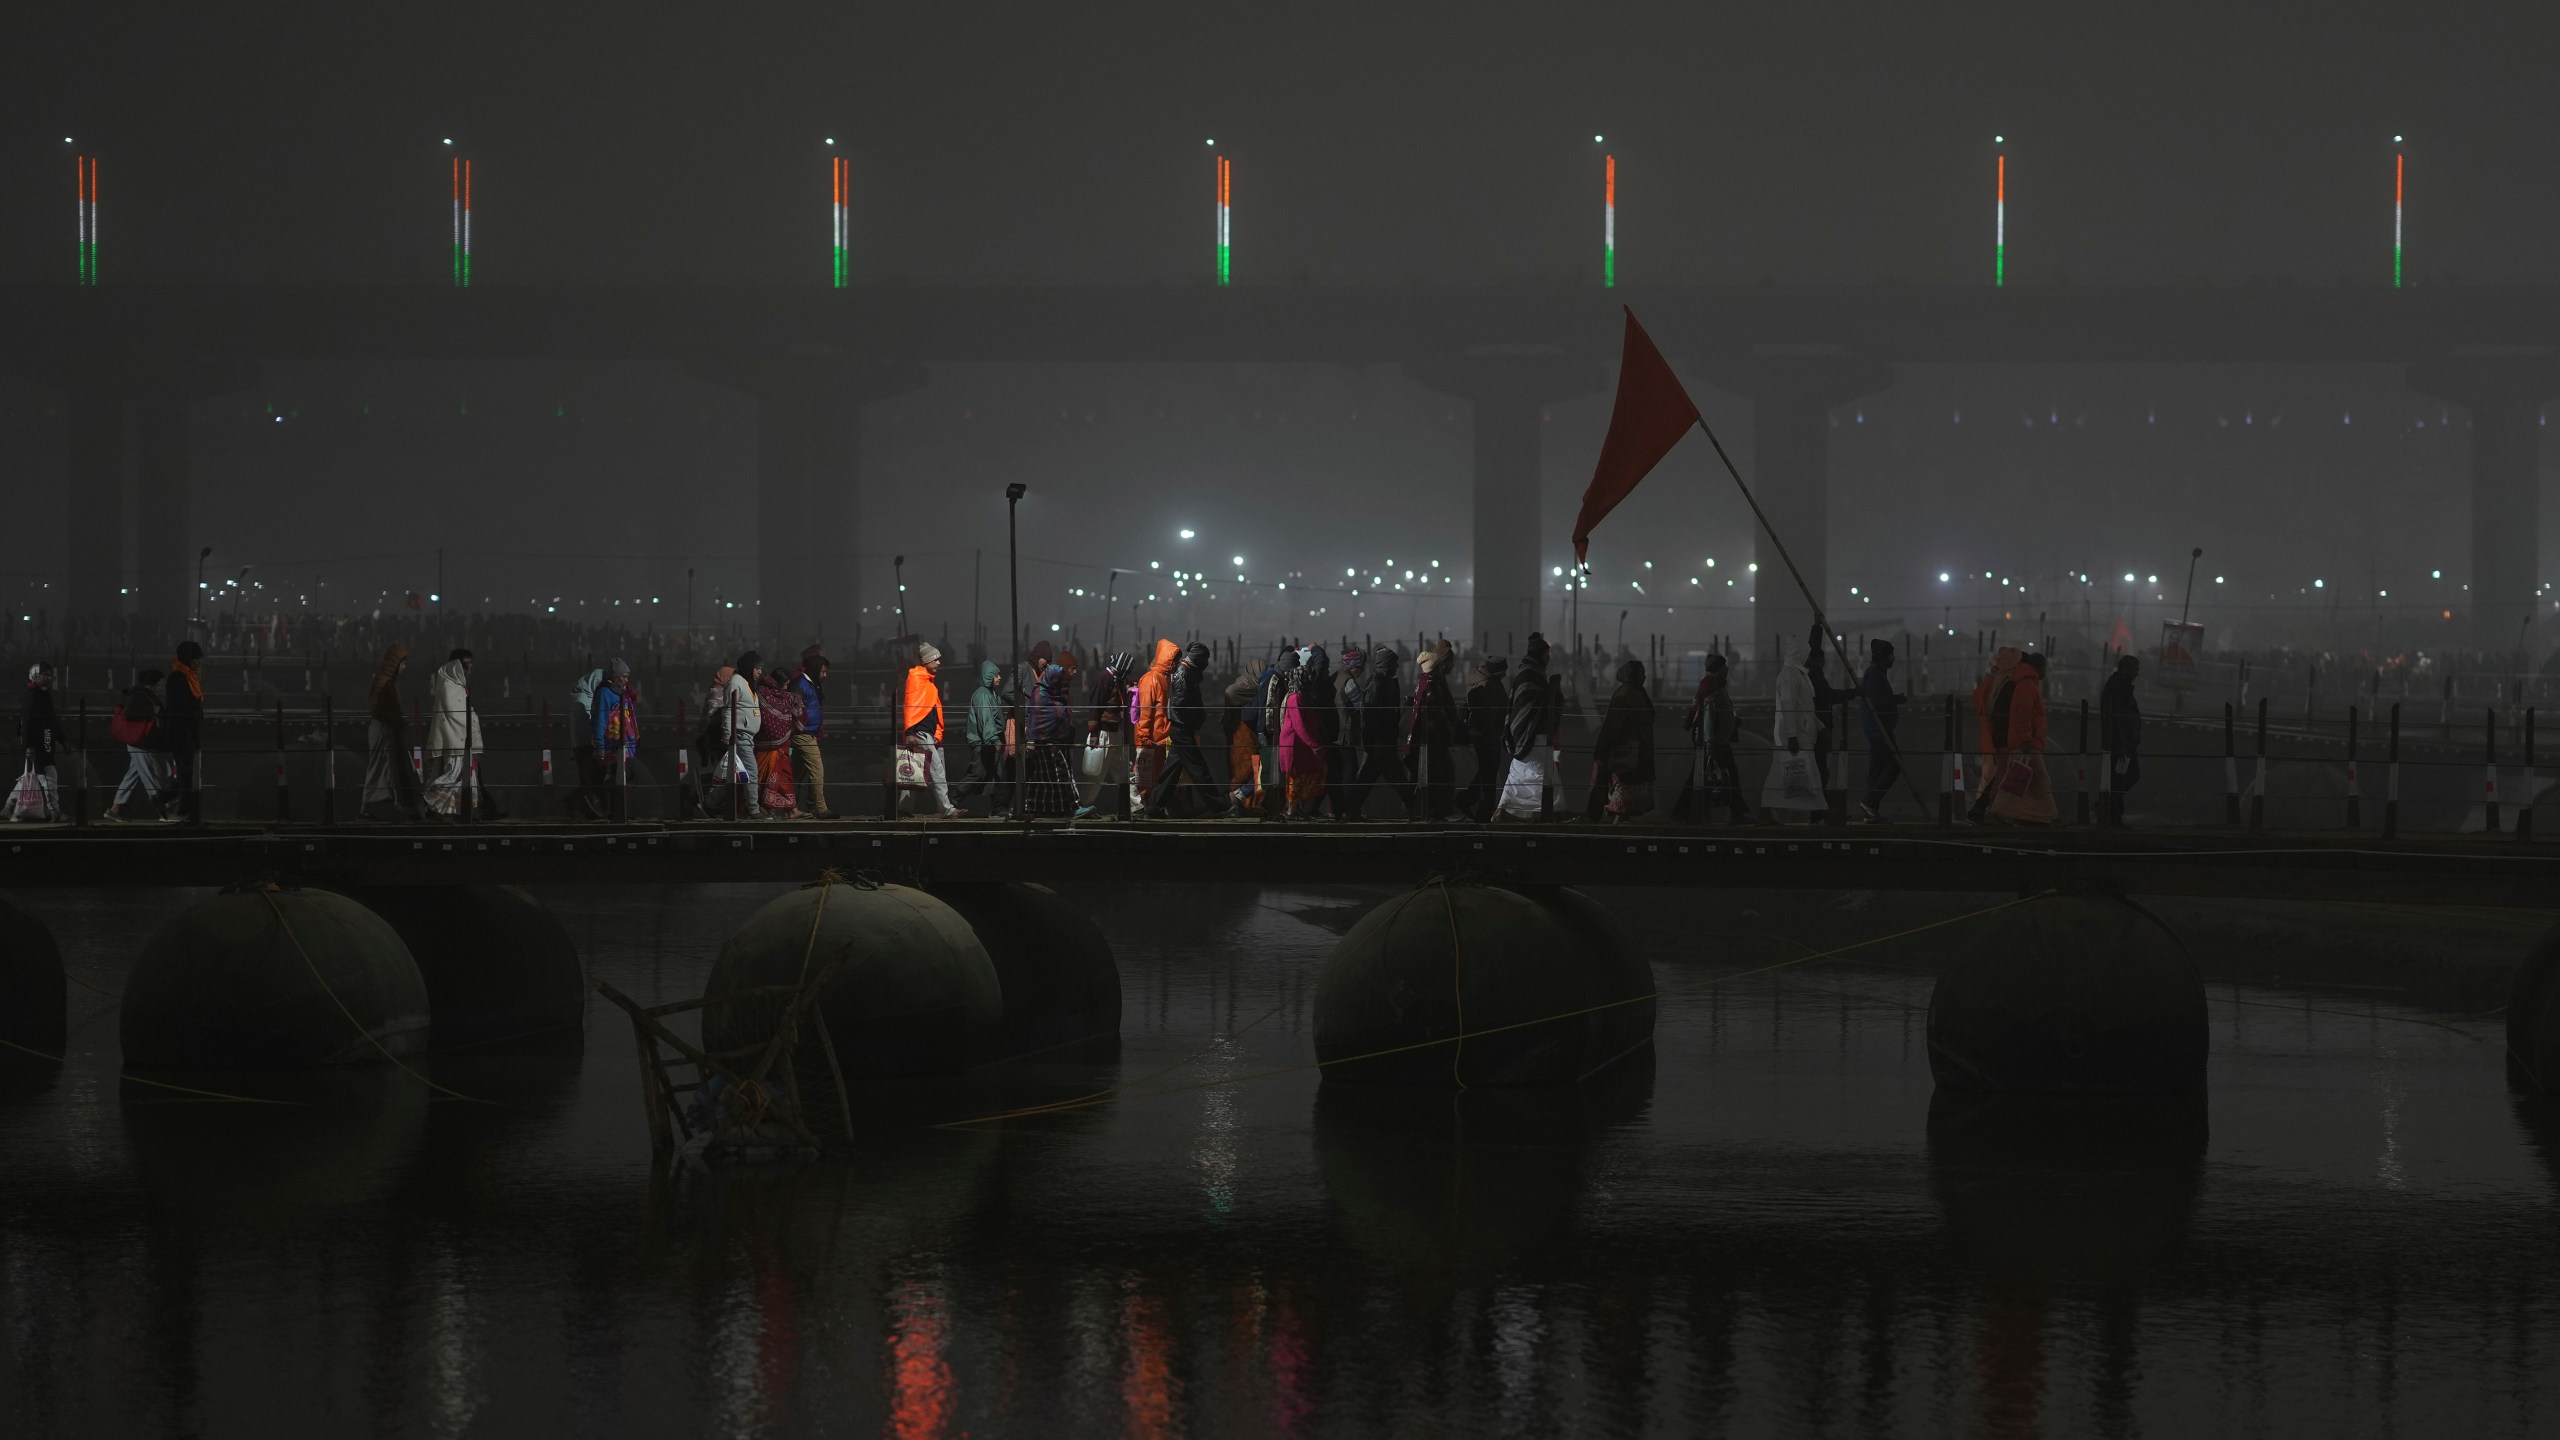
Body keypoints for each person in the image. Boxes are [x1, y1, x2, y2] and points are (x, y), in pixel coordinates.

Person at [1142, 642, 1226, 818]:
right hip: (1183, 730)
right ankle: (1219, 807)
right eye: (1205, 659)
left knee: (1170, 773)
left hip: (1181, 730)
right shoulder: (1183, 673)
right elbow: (1180, 705)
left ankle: (1154, 808)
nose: (1206, 663)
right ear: (1198, 658)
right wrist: (1193, 722)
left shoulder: (1187, 672)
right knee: (1199, 769)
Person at [1673, 653, 1751, 824]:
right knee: (1729, 775)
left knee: (1699, 777)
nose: (1728, 670)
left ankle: (1683, 813)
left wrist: (1731, 722)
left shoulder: (1711, 686)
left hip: (1714, 741)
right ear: (1719, 670)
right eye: (1725, 668)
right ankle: (1737, 813)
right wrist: (1710, 745)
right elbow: (1707, 718)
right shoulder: (1713, 689)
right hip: (1715, 743)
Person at [1583, 659, 1656, 822]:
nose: (1644, 677)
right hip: (1630, 754)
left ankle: (1612, 821)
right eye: (1641, 674)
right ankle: (1618, 824)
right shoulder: (1632, 695)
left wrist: (1602, 749)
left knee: (1621, 795)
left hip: (1628, 753)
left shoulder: (1627, 693)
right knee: (1624, 797)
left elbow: (1611, 726)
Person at [1496, 635, 1556, 822]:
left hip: (1527, 733)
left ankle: (1510, 811)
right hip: (1531, 733)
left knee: (1522, 775)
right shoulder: (1532, 674)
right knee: (1537, 772)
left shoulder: (1529, 672)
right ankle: (1549, 811)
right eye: (1547, 653)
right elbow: (1530, 705)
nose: (1548, 657)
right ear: (1541, 654)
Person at [1763, 642, 1824, 823]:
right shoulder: (1790, 676)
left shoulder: (1795, 674)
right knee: (1801, 776)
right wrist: (1792, 736)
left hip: (1798, 734)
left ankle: (1771, 813)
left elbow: (1802, 706)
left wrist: (1816, 726)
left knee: (1783, 776)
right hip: (1795, 736)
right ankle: (1816, 813)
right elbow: (1789, 706)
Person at [1404, 642, 1465, 821]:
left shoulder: (1423, 682)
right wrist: (1450, 730)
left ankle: (1425, 811)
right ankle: (1440, 812)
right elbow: (1438, 712)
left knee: (1428, 775)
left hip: (1424, 738)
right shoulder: (1434, 684)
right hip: (1434, 737)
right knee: (1442, 774)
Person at [899, 642, 959, 818]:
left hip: (930, 734)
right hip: (920, 733)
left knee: (913, 771)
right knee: (936, 771)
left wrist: (937, 733)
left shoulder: (928, 682)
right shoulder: (916, 678)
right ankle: (947, 809)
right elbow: (910, 707)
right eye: (936, 659)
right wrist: (910, 733)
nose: (939, 663)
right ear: (927, 661)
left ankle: (903, 808)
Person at [1075, 650, 1136, 820]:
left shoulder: (1117, 679)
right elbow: (1095, 706)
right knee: (1096, 772)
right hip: (1103, 733)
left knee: (1123, 771)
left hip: (1115, 732)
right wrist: (1094, 732)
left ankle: (1135, 806)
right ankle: (1084, 804)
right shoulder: (1104, 679)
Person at [105, 666, 171, 823]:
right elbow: (131, 713)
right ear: (152, 684)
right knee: (148, 775)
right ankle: (163, 810)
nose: (162, 689)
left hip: (139, 741)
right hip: (140, 742)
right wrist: (151, 713)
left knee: (132, 775)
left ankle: (114, 809)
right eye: (160, 685)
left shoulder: (141, 694)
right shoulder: (141, 696)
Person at [425, 648, 484, 819]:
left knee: (460, 775)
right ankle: (430, 800)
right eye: (466, 665)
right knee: (453, 774)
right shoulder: (447, 684)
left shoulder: (459, 685)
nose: (469, 669)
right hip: (454, 738)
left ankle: (457, 811)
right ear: (456, 665)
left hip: (463, 739)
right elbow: (453, 712)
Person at [1354, 647, 1413, 818]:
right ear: (1387, 665)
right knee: (1398, 779)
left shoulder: (1380, 683)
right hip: (1381, 742)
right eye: (1394, 663)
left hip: (1380, 742)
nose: (1397, 667)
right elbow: (1372, 716)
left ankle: (1351, 811)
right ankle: (1415, 809)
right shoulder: (1377, 685)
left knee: (1367, 779)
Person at [359, 644, 416, 821]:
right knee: (383, 768)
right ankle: (368, 808)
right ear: (395, 664)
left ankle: (378, 806)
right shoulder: (387, 683)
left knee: (384, 768)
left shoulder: (380, 679)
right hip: (384, 730)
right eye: (403, 664)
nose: (404, 668)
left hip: (383, 729)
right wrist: (398, 720)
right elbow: (378, 709)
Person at [1020, 663, 1078, 817]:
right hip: (1044, 743)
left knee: (1051, 778)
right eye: (1058, 679)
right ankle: (1064, 807)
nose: (1059, 682)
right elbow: (1036, 718)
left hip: (1055, 741)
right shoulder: (1040, 694)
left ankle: (1052, 808)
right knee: (1057, 775)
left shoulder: (1054, 694)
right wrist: (1032, 740)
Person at [1280, 647, 1331, 819]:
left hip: (1299, 746)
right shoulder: (1296, 698)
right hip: (1295, 746)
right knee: (1295, 779)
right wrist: (1314, 745)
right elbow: (1300, 725)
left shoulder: (1298, 696)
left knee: (1299, 778)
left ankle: (1296, 810)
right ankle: (1291, 811)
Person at [1129, 638, 1178, 816]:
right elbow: (1146, 711)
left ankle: (1149, 808)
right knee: (1144, 777)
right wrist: (1143, 737)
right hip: (1150, 738)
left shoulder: (1161, 679)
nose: (1177, 664)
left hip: (1158, 738)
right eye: (1175, 660)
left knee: (1152, 776)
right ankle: (1141, 809)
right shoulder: (1152, 679)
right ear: (1167, 659)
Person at [1858, 639, 1905, 822]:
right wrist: (1896, 700)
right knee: (1894, 764)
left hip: (1878, 728)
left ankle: (1871, 810)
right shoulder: (1874, 674)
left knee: (1877, 769)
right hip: (1879, 729)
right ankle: (1870, 802)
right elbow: (1877, 701)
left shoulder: (1877, 673)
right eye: (1890, 655)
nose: (1893, 658)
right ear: (1884, 657)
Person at [1252, 643, 1300, 820]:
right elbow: (1266, 708)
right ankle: (1269, 810)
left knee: (1272, 773)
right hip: (1270, 733)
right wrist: (1263, 731)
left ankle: (1272, 810)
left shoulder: (1274, 676)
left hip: (1270, 732)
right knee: (1270, 774)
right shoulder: (1274, 681)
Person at [712, 652, 763, 818]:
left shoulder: (748, 683)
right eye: (757, 668)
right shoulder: (735, 682)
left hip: (748, 736)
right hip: (740, 736)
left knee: (733, 774)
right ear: (749, 667)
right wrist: (728, 735)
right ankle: (754, 810)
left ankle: (709, 803)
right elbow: (728, 710)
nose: (760, 672)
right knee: (751, 771)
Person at [1459, 655, 1508, 821]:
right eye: (1503, 672)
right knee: (1490, 771)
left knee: (1486, 770)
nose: (1505, 675)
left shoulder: (1476, 677)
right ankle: (1482, 807)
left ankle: (1477, 803)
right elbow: (1493, 713)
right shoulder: (1489, 685)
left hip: (1478, 732)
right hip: (1488, 734)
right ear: (1497, 672)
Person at [11, 663, 61, 822]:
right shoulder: (33, 696)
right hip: (39, 744)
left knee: (30, 776)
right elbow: (26, 723)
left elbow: (49, 719)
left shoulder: (38, 694)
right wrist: (29, 746)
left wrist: (61, 738)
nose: (50, 678)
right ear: (36, 676)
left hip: (40, 742)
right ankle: (55, 811)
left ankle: (9, 806)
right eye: (46, 675)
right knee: (48, 775)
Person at [592, 658, 639, 821]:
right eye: (624, 676)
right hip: (613, 745)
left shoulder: (621, 693)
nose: (627, 680)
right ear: (615, 676)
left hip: (625, 746)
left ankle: (619, 811)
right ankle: (613, 808)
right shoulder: (605, 693)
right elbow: (600, 720)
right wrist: (600, 747)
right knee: (621, 777)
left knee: (624, 777)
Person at [164, 640, 205, 823]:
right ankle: (181, 805)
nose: (199, 663)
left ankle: (181, 804)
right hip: (182, 731)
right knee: (186, 769)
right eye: (196, 659)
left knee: (187, 769)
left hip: (188, 730)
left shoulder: (188, 677)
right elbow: (182, 706)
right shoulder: (178, 678)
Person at [754, 663, 803, 817]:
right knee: (766, 777)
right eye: (785, 685)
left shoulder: (786, 697)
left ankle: (792, 809)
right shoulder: (760, 694)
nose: (787, 688)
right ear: (778, 683)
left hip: (782, 746)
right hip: (765, 747)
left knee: (785, 776)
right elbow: (767, 720)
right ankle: (768, 808)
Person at [2100, 654, 2143, 824]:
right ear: (2125, 669)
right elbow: (2117, 718)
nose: (2136, 673)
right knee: (2126, 777)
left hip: (2121, 742)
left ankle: (2109, 809)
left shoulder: (2116, 686)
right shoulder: (2119, 689)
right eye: (2134, 669)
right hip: (2121, 744)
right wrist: (2123, 744)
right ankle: (2112, 812)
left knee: (2121, 778)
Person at [962, 658, 1007, 817]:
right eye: (996, 675)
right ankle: (952, 800)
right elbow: (986, 720)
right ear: (989, 677)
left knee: (996, 775)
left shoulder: (991, 694)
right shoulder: (983, 695)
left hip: (987, 742)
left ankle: (998, 809)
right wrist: (995, 740)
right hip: (983, 743)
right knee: (977, 774)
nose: (999, 677)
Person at [791, 648, 831, 819]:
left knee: (795, 773)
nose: (825, 675)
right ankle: (820, 809)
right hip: (803, 734)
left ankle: (789, 808)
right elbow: (794, 710)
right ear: (815, 669)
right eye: (823, 671)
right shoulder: (800, 685)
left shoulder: (812, 684)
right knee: (817, 769)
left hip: (809, 733)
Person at [1327, 646, 1367, 819]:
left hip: (1333, 734)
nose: (1363, 670)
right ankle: (1351, 811)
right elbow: (1362, 706)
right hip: (1345, 734)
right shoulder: (1349, 682)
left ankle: (1336, 811)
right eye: (1361, 665)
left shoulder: (1334, 677)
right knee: (1350, 773)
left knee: (1336, 774)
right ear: (1355, 665)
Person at [1222, 666, 1263, 811]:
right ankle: (1235, 802)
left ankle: (1247, 804)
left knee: (1253, 770)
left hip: (1247, 735)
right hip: (1241, 735)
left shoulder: (1251, 687)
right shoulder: (1239, 688)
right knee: (1244, 770)